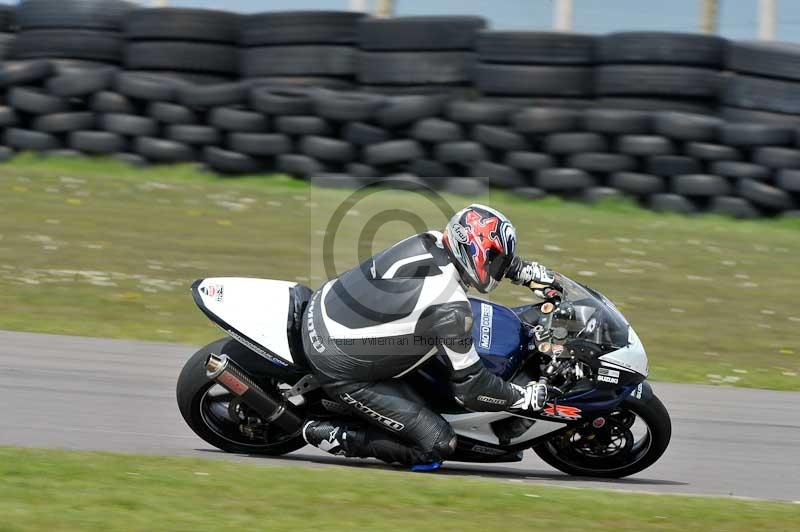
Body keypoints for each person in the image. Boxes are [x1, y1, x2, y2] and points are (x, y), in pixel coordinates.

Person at [301, 204, 561, 468]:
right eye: (495, 260)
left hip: (326, 305)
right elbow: (473, 390)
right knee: (437, 444)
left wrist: (523, 271)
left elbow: (476, 260)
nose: (497, 267)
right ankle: (341, 437)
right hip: (339, 365)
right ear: (473, 251)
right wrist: (522, 397)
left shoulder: (430, 239)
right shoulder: (449, 305)